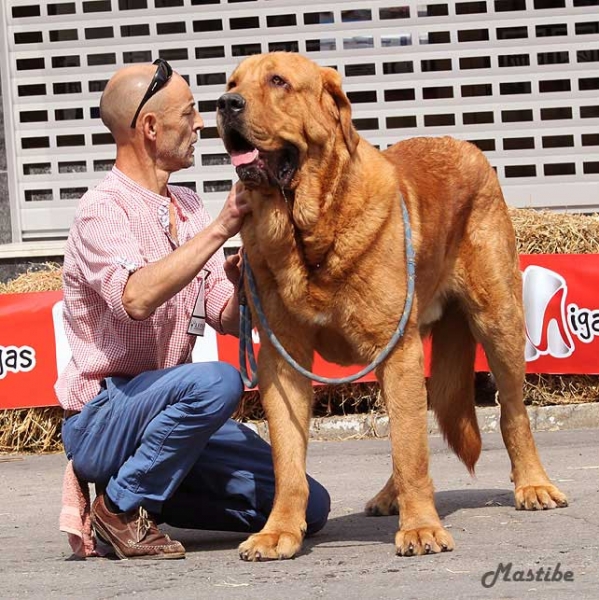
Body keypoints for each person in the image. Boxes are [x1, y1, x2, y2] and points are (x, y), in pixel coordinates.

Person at [55, 58, 330, 560]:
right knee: (217, 381)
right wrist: (221, 230)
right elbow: (135, 298)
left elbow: (224, 315)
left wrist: (250, 279)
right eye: (190, 113)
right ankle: (117, 507)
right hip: (103, 414)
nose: (202, 123)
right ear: (151, 128)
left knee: (309, 508)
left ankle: (145, 494)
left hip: (170, 413)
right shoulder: (102, 208)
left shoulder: (187, 203)